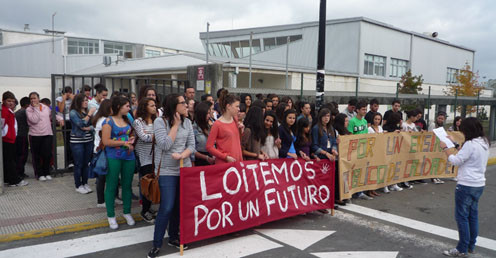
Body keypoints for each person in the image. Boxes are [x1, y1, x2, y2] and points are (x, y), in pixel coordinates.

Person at [148, 94, 195, 257]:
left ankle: (174, 237)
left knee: (179, 207)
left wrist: (183, 155)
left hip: (184, 168)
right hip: (167, 171)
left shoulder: (188, 122)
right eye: (182, 103)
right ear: (174, 105)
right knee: (167, 206)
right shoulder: (159, 122)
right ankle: (156, 243)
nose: (186, 106)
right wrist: (175, 125)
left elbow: (192, 145)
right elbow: (165, 144)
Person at [440, 117, 489, 257]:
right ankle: (470, 245)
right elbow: (466, 153)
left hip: (466, 185)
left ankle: (461, 248)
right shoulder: (483, 142)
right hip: (479, 184)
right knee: (472, 216)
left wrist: (445, 148)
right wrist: (454, 144)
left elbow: (456, 160)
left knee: (462, 217)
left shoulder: (470, 144)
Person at [101, 96, 136, 230]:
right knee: (112, 185)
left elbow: (131, 134)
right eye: (126, 106)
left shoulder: (128, 119)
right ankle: (111, 215)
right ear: (118, 107)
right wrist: (123, 142)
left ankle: (127, 212)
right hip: (113, 157)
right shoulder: (108, 121)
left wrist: (131, 140)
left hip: (129, 156)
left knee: (127, 185)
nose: (129, 108)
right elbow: (106, 141)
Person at [133, 98, 158, 223]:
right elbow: (144, 137)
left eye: (155, 105)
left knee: (155, 182)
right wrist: (157, 136)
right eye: (152, 105)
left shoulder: (157, 120)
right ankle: (145, 210)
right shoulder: (138, 122)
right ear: (145, 107)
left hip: (156, 156)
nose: (155, 108)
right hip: (144, 157)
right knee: (147, 183)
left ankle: (151, 207)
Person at [206, 91, 243, 164]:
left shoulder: (235, 119)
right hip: (224, 164)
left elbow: (238, 141)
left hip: (237, 161)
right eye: (237, 106)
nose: (239, 109)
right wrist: (225, 157)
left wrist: (240, 129)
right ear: (228, 106)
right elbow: (209, 147)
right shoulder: (217, 124)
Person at [69, 93, 96, 194]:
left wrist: (88, 128)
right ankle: (78, 185)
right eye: (84, 100)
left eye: (87, 100)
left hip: (88, 140)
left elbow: (95, 124)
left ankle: (85, 183)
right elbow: (81, 124)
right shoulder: (73, 112)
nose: (86, 102)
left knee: (86, 163)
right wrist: (89, 115)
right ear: (78, 102)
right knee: (78, 164)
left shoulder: (87, 112)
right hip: (77, 141)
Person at [91, 99, 115, 208]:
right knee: (102, 177)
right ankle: (101, 201)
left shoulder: (100, 118)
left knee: (103, 177)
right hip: (102, 150)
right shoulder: (105, 121)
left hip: (98, 149)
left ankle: (104, 199)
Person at [2, 91, 28, 187]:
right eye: (8, 101)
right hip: (7, 139)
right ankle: (15, 180)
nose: (11, 103)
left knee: (8, 160)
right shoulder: (4, 111)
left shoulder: (9, 110)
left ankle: (7, 179)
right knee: (10, 161)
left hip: (11, 138)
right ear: (3, 101)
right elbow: (2, 125)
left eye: (12, 101)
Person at [26, 92, 54, 181]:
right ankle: (39, 174)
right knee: (36, 155)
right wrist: (36, 108)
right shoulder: (29, 109)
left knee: (47, 155)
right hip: (35, 135)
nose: (33, 100)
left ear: (38, 98)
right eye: (31, 99)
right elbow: (34, 120)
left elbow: (51, 115)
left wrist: (60, 119)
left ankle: (47, 172)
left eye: (34, 98)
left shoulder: (45, 107)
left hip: (47, 133)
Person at [368, 112, 387, 194]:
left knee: (376, 170)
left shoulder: (380, 127)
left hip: (379, 151)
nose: (377, 121)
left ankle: (374, 189)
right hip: (372, 151)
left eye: (379, 119)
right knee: (371, 171)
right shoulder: (369, 129)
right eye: (375, 119)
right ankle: (369, 190)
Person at [56, 86, 75, 167]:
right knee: (67, 142)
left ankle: (74, 160)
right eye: (66, 93)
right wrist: (63, 99)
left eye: (69, 93)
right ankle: (68, 161)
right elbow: (61, 109)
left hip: (73, 120)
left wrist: (74, 99)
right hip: (65, 121)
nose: (68, 95)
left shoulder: (73, 99)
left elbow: (74, 109)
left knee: (74, 141)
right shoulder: (59, 99)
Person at [193, 102, 215, 166]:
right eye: (207, 113)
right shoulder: (193, 128)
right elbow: (192, 149)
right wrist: (206, 157)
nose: (209, 115)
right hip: (199, 160)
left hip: (212, 157)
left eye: (209, 113)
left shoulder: (210, 126)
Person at [429, 111, 447, 184]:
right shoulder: (433, 125)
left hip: (438, 146)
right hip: (433, 145)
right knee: (433, 161)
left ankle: (436, 176)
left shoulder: (442, 126)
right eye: (439, 118)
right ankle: (433, 177)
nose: (440, 120)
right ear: (437, 118)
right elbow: (429, 134)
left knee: (437, 161)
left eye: (442, 119)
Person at [15, 97, 30, 179]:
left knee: (18, 154)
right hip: (22, 136)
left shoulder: (17, 112)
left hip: (17, 136)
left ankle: (19, 172)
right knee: (23, 154)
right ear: (27, 105)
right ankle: (20, 173)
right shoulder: (24, 112)